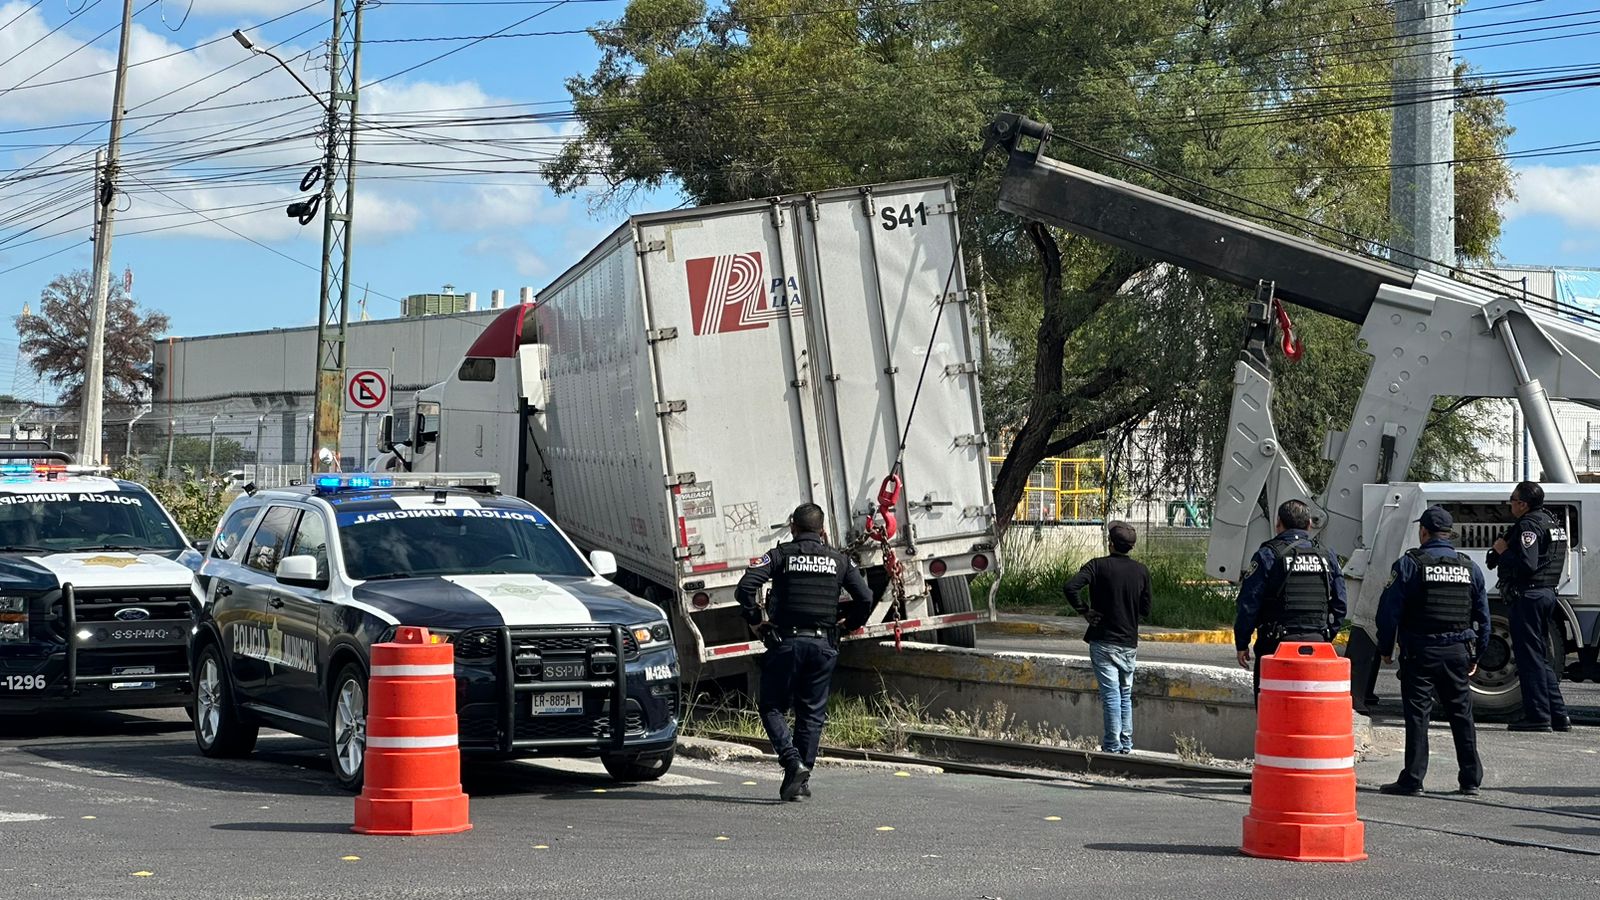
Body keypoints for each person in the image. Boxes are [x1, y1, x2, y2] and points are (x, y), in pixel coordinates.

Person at [735, 503, 874, 801]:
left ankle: (791, 760)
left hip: (785, 643)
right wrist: (849, 625)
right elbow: (865, 597)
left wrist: (756, 619)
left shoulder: (780, 555)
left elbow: (745, 587)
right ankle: (800, 779)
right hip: (823, 645)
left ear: (793, 528)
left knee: (772, 706)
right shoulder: (839, 560)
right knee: (811, 714)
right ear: (823, 532)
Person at [1375, 506, 1489, 797]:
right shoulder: (1468, 567)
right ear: (1448, 533)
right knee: (1461, 714)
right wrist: (1477, 654)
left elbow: (1389, 611)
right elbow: (1483, 616)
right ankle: (1471, 779)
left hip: (1421, 652)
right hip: (1457, 652)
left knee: (1417, 716)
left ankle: (1413, 779)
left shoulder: (1410, 563)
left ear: (1423, 532)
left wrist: (1385, 647)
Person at [1233, 499, 1347, 697]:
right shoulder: (1326, 555)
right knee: (1311, 706)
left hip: (1275, 644)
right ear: (1309, 524)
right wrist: (1326, 634)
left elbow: (1249, 603)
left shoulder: (1268, 554)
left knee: (1272, 707)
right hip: (1316, 644)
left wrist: (1242, 643)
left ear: (1279, 524)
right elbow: (1340, 603)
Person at [1486, 481, 1571, 732]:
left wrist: (1503, 551)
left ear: (1523, 503)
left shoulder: (1528, 525)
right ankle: (1558, 715)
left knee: (1529, 659)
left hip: (1529, 596)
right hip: (1546, 594)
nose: (1510, 504)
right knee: (1541, 658)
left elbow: (1528, 563)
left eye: (1512, 500)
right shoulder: (1551, 520)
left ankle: (1538, 717)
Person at [1063, 521, 1152, 754]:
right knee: (1125, 694)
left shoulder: (1097, 566)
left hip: (1103, 640)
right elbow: (1145, 609)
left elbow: (1071, 587)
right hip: (1129, 642)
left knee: (1111, 695)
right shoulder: (1141, 571)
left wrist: (1084, 610)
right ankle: (1126, 745)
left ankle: (1112, 745)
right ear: (1131, 546)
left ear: (1110, 543)